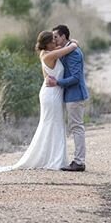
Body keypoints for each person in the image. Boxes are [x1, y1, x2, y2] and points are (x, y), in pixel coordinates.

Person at [0, 31, 78, 172]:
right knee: (52, 123)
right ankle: (53, 159)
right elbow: (72, 47)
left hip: (53, 92)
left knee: (55, 124)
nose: (55, 42)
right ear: (47, 44)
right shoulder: (49, 55)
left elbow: (67, 47)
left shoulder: (48, 52)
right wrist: (73, 43)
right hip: (51, 94)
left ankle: (54, 157)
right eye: (53, 40)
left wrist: (71, 42)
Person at [47, 25, 89, 172]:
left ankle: (79, 162)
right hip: (70, 95)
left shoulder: (74, 53)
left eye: (56, 37)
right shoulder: (67, 49)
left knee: (77, 127)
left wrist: (57, 83)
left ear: (64, 36)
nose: (54, 40)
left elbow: (76, 78)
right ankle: (78, 160)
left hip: (75, 95)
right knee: (75, 127)